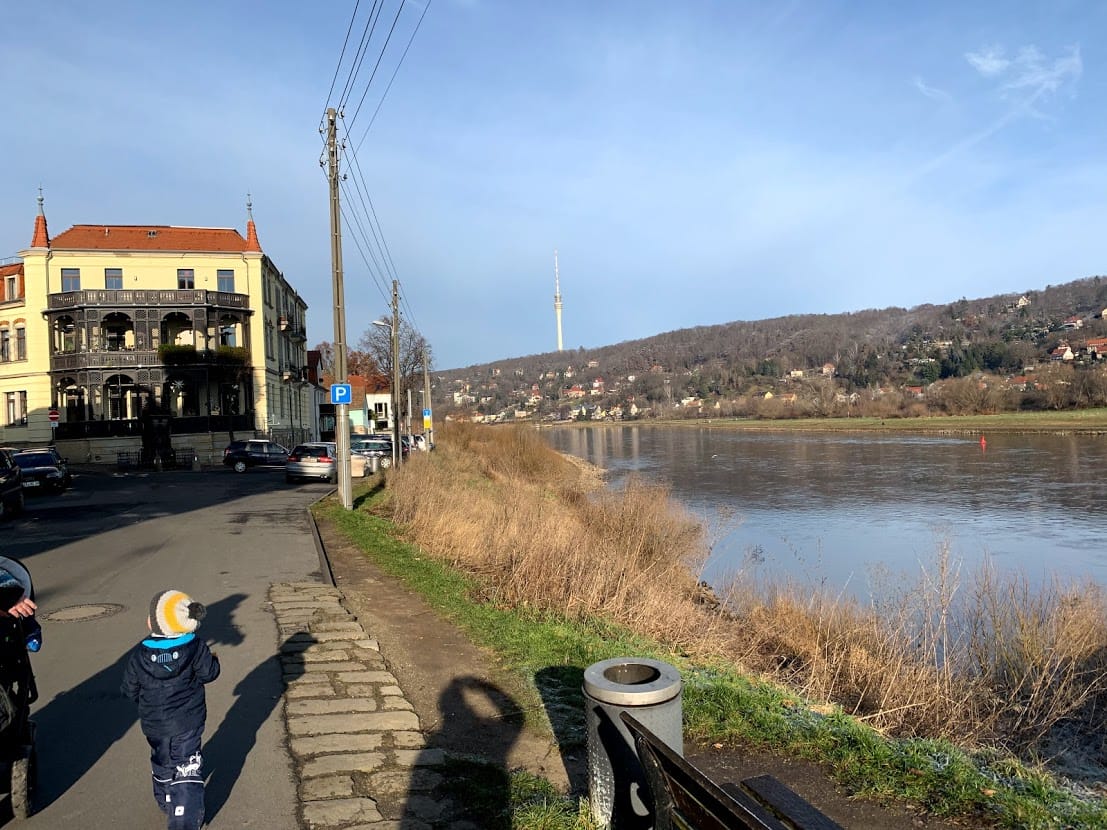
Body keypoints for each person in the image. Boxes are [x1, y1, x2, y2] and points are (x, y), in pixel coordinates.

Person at [121, 590, 220, 830]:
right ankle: (184, 820)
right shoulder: (195, 646)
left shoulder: (140, 654)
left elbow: (129, 688)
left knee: (161, 759)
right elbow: (209, 673)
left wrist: (139, 699)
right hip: (188, 720)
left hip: (154, 723)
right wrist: (214, 659)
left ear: (152, 623)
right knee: (186, 764)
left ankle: (166, 799)